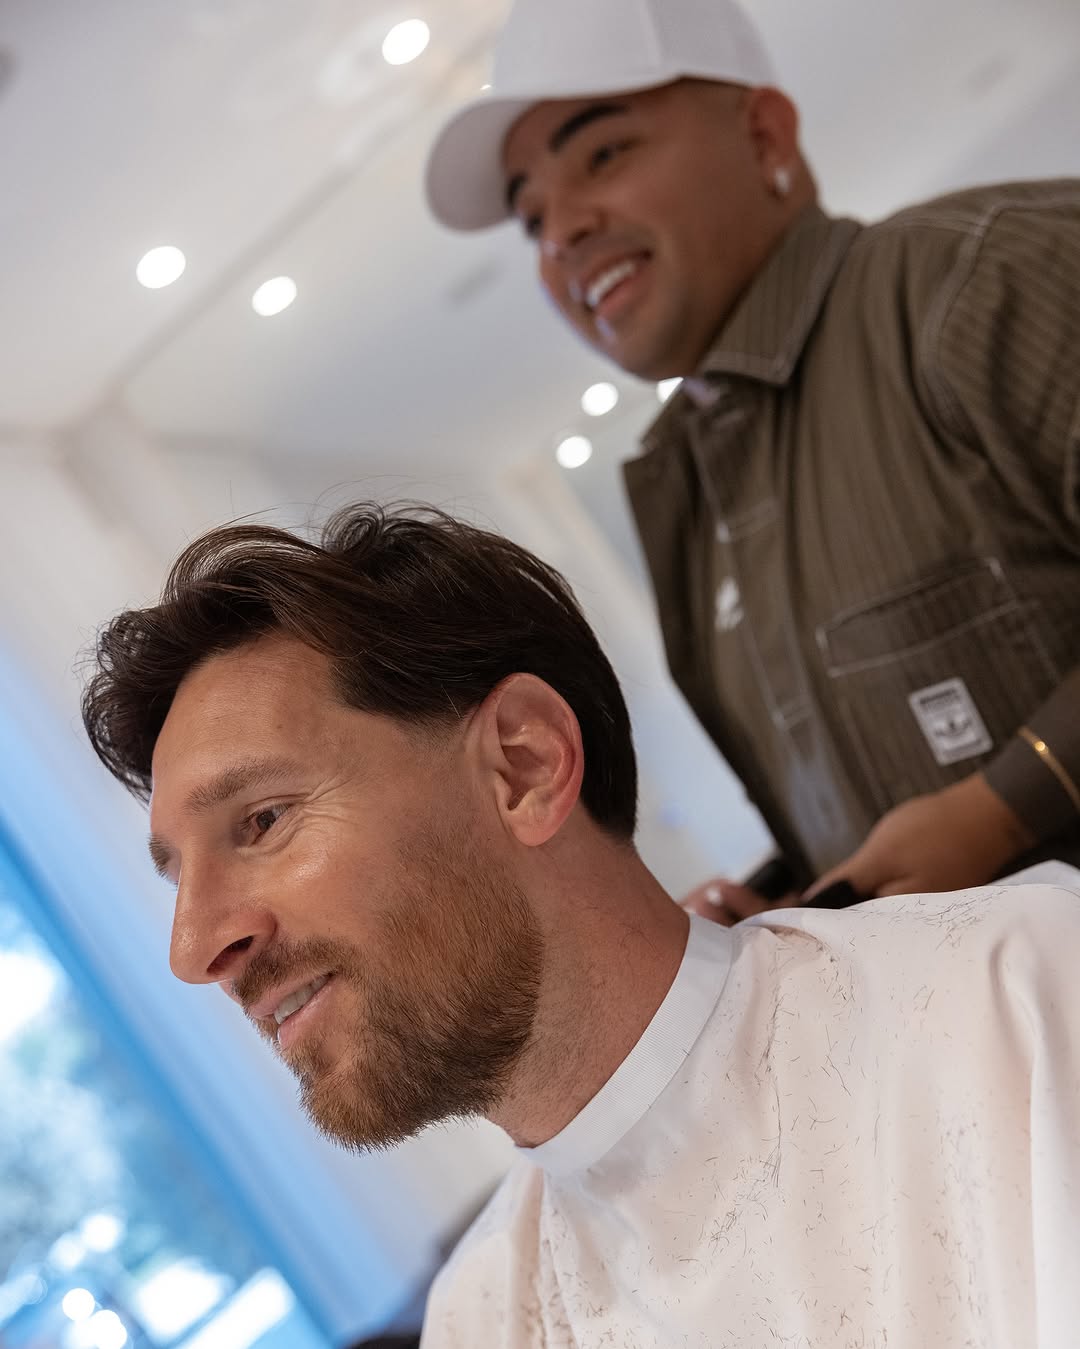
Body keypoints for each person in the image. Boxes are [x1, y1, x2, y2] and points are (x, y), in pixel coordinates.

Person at [82, 503, 1080, 1346]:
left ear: (523, 765)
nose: (194, 948)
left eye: (262, 819)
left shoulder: (1014, 996)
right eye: (178, 879)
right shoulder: (482, 1319)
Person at [425, 0, 1080, 923]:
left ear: (765, 134)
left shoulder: (985, 277)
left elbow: (976, 800)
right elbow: (879, 789)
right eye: (530, 219)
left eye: (603, 154)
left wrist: (1010, 806)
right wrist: (784, 905)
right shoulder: (687, 486)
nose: (561, 230)